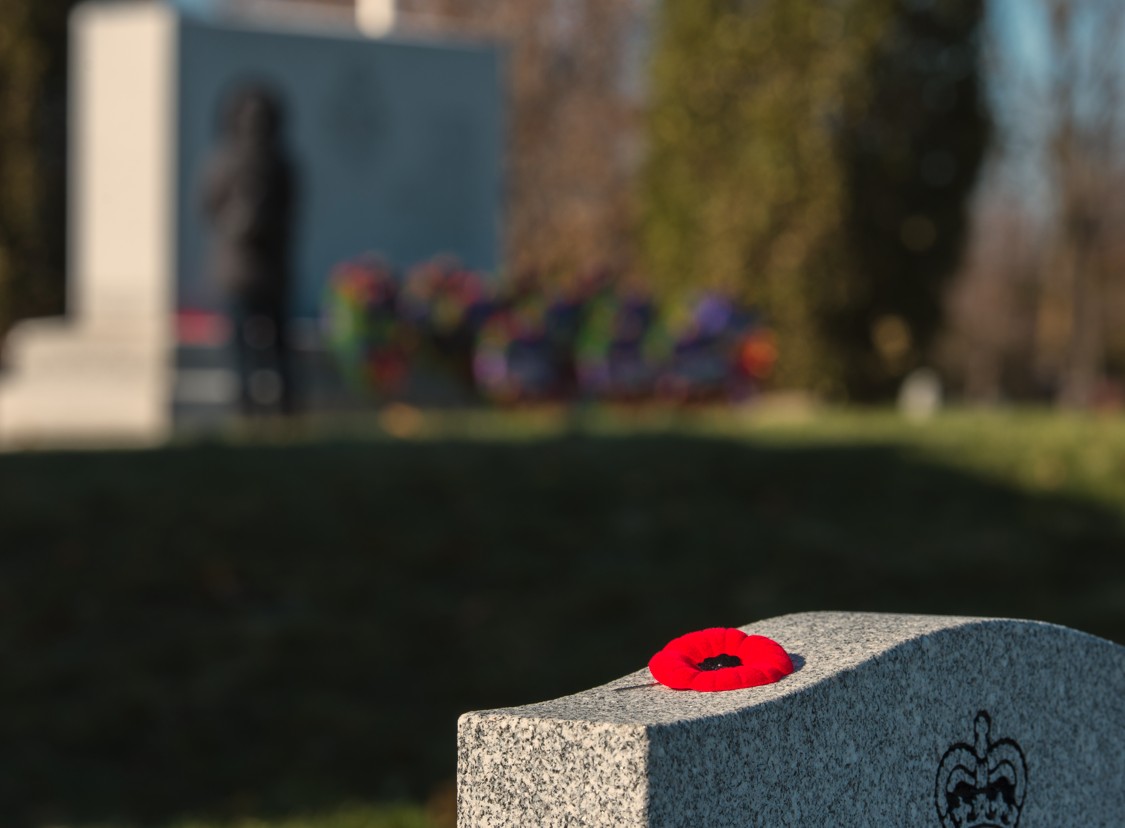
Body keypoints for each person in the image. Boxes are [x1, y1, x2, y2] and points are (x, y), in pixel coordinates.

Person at [201, 82, 297, 416]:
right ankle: (247, 408)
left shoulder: (281, 165)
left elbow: (290, 212)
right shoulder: (223, 163)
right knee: (243, 349)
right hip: (239, 272)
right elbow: (208, 208)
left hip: (271, 269)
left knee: (277, 348)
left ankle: (285, 408)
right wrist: (240, 222)